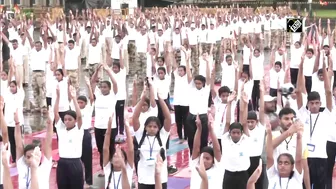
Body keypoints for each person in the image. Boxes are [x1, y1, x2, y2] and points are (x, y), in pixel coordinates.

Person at [132, 85, 171, 189]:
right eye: (149, 126)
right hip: (144, 179)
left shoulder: (163, 136)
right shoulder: (140, 135)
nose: (152, 128)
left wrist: (161, 100)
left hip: (160, 179)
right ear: (145, 127)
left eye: (155, 127)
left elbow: (168, 118)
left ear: (158, 128)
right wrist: (142, 98)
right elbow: (135, 117)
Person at [90, 64, 118, 177]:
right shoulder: (98, 94)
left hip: (110, 126)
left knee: (110, 148)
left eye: (105, 87)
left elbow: (115, 82)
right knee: (101, 149)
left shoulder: (113, 95)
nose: (102, 89)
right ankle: (104, 168)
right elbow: (93, 82)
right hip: (98, 126)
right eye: (101, 87)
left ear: (109, 88)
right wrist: (96, 71)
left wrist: (108, 70)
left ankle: (113, 166)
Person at [54, 85, 84, 189]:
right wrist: (58, 97)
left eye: (70, 119)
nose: (66, 121)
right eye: (65, 119)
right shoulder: (61, 129)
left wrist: (74, 98)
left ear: (75, 121)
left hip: (75, 163)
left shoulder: (78, 129)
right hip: (62, 163)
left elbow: (79, 116)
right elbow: (56, 113)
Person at [221, 91, 250, 189]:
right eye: (233, 133)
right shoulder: (225, 140)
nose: (236, 135)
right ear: (230, 133)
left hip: (243, 175)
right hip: (229, 174)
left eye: (238, 133)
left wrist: (245, 105)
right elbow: (228, 122)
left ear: (242, 133)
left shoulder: (245, 140)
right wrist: (229, 104)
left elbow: (244, 123)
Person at [266, 120, 304, 188]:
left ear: (292, 166)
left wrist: (299, 137)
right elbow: (269, 157)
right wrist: (269, 134)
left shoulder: (297, 177)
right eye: (280, 163)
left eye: (286, 163)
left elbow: (298, 160)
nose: (282, 166)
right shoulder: (272, 176)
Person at [190, 114, 222, 189]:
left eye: (207, 158)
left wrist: (211, 130)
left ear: (213, 161)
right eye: (202, 158)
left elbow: (217, 150)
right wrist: (199, 129)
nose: (204, 161)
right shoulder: (196, 166)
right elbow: (196, 148)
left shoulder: (217, 168)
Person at [103, 115, 133, 189]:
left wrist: (126, 128)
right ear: (111, 161)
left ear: (125, 161)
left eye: (120, 156)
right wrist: (109, 127)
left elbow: (131, 150)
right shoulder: (108, 169)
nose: (117, 159)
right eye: (115, 156)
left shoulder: (128, 169)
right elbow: (105, 149)